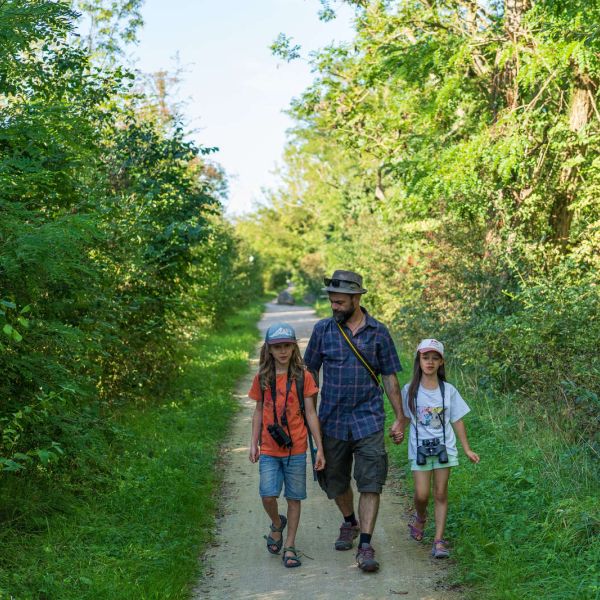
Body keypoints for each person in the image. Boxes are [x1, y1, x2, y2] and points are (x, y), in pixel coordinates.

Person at [303, 269, 405, 573]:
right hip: (331, 420)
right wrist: (305, 412)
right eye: (331, 301)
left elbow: (390, 377)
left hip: (369, 418)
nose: (333, 306)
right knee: (334, 480)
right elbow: (309, 374)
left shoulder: (379, 332)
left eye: (339, 302)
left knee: (371, 479)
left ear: (356, 298)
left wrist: (400, 417)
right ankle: (349, 521)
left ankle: (365, 545)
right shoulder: (323, 330)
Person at [248, 322, 325, 568]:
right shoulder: (262, 378)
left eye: (287, 346)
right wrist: (253, 443)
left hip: (297, 448)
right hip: (270, 448)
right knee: (267, 494)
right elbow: (258, 411)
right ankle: (276, 524)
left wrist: (319, 448)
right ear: (269, 350)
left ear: (294, 348)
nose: (282, 351)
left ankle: (290, 546)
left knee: (294, 497)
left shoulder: (304, 377)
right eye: (277, 347)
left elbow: (311, 413)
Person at [401, 338, 480, 558]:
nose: (430, 362)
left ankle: (438, 540)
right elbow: (404, 418)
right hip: (419, 450)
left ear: (441, 362)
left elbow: (457, 420)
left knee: (441, 492)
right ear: (419, 359)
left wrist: (467, 449)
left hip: (445, 449)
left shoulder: (449, 391)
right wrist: (397, 429)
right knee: (421, 494)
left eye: (435, 358)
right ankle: (420, 516)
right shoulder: (410, 390)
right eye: (426, 357)